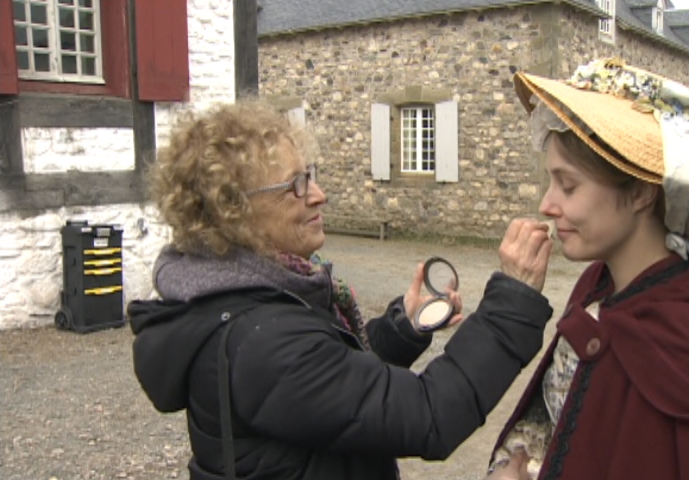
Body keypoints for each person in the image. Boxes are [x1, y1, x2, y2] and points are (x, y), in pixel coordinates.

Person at [128, 100, 555, 480]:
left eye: (310, 176)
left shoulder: (246, 299)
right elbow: (429, 414)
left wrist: (401, 329)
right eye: (295, 186)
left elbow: (337, 385)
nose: (318, 194)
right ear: (234, 212)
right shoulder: (263, 341)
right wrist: (511, 302)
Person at [485, 58, 689, 480]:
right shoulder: (598, 286)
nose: (547, 204)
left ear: (640, 192)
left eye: (568, 185)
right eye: (551, 181)